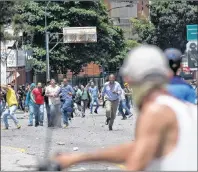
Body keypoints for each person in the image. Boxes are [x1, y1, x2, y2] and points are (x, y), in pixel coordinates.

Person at [53, 45, 197, 171]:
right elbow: (139, 148)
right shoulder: (187, 109)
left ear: (129, 79)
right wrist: (77, 159)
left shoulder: (155, 111)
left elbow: (137, 163)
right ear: (168, 75)